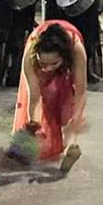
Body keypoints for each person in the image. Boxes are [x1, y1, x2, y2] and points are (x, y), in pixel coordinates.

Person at [11, 20, 87, 172]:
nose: (48, 69)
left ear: (64, 57)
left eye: (54, 63)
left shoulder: (76, 48)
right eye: (43, 64)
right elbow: (34, 96)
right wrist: (33, 125)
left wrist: (75, 122)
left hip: (69, 42)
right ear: (37, 55)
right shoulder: (31, 53)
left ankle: (72, 147)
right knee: (47, 96)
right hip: (40, 43)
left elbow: (81, 91)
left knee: (69, 105)